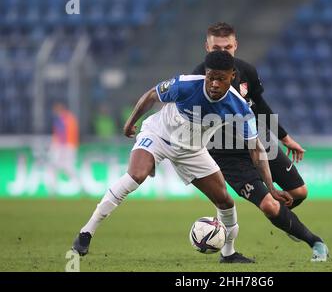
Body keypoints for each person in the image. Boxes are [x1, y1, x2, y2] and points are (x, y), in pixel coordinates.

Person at [72, 51, 289, 263]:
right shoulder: (186, 85)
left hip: (192, 151)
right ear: (206, 73)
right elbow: (152, 95)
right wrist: (130, 122)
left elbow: (256, 149)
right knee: (136, 175)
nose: (214, 83)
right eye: (211, 77)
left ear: (231, 76)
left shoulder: (238, 107)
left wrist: (271, 188)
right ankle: (86, 233)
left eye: (221, 79)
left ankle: (229, 253)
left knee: (225, 201)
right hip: (158, 136)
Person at [192, 22, 328, 261]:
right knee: (269, 205)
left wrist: (286, 138)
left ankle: (287, 223)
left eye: (227, 47)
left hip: (258, 142)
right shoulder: (196, 79)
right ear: (207, 47)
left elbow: (261, 108)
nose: (222, 53)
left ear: (235, 46)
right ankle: (316, 242)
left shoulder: (246, 71)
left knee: (299, 192)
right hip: (227, 155)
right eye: (216, 48)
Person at [48, 102, 80, 195]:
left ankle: (53, 189)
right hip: (69, 146)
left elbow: (62, 134)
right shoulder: (69, 118)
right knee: (64, 167)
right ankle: (53, 189)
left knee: (61, 167)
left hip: (65, 147)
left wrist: (56, 147)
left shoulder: (64, 119)